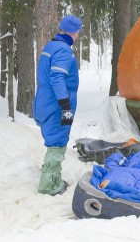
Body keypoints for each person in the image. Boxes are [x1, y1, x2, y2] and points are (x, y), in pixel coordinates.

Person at [34, 15, 82, 196]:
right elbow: (57, 76)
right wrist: (65, 104)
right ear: (72, 32)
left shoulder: (50, 46)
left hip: (44, 100)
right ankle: (49, 185)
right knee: (58, 140)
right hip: (59, 104)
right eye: (78, 32)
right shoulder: (63, 50)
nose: (78, 36)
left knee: (54, 137)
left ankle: (53, 177)